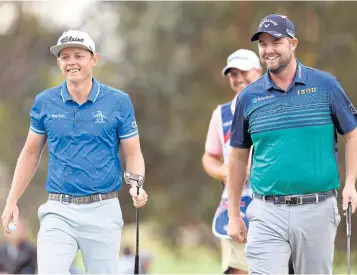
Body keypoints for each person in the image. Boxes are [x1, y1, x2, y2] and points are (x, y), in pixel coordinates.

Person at [1, 30, 148, 274]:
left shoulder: (118, 101)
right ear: (59, 62)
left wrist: (136, 184)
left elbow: (133, 153)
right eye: (65, 57)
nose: (71, 62)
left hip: (103, 209)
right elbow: (30, 153)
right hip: (59, 210)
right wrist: (11, 201)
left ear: (94, 59)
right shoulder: (44, 102)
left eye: (78, 55)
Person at [227, 13, 357, 275]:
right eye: (263, 44)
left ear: (293, 43)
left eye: (276, 41)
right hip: (266, 212)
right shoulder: (248, 98)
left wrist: (351, 183)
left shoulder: (325, 86)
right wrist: (233, 214)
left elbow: (352, 133)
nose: (269, 50)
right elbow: (238, 156)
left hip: (317, 209)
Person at [202, 49, 262, 274]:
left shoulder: (276, 106)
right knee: (238, 270)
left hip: (274, 203)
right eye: (233, 74)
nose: (239, 79)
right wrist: (225, 172)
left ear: (259, 71)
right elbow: (209, 157)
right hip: (235, 206)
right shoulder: (222, 114)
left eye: (243, 72)